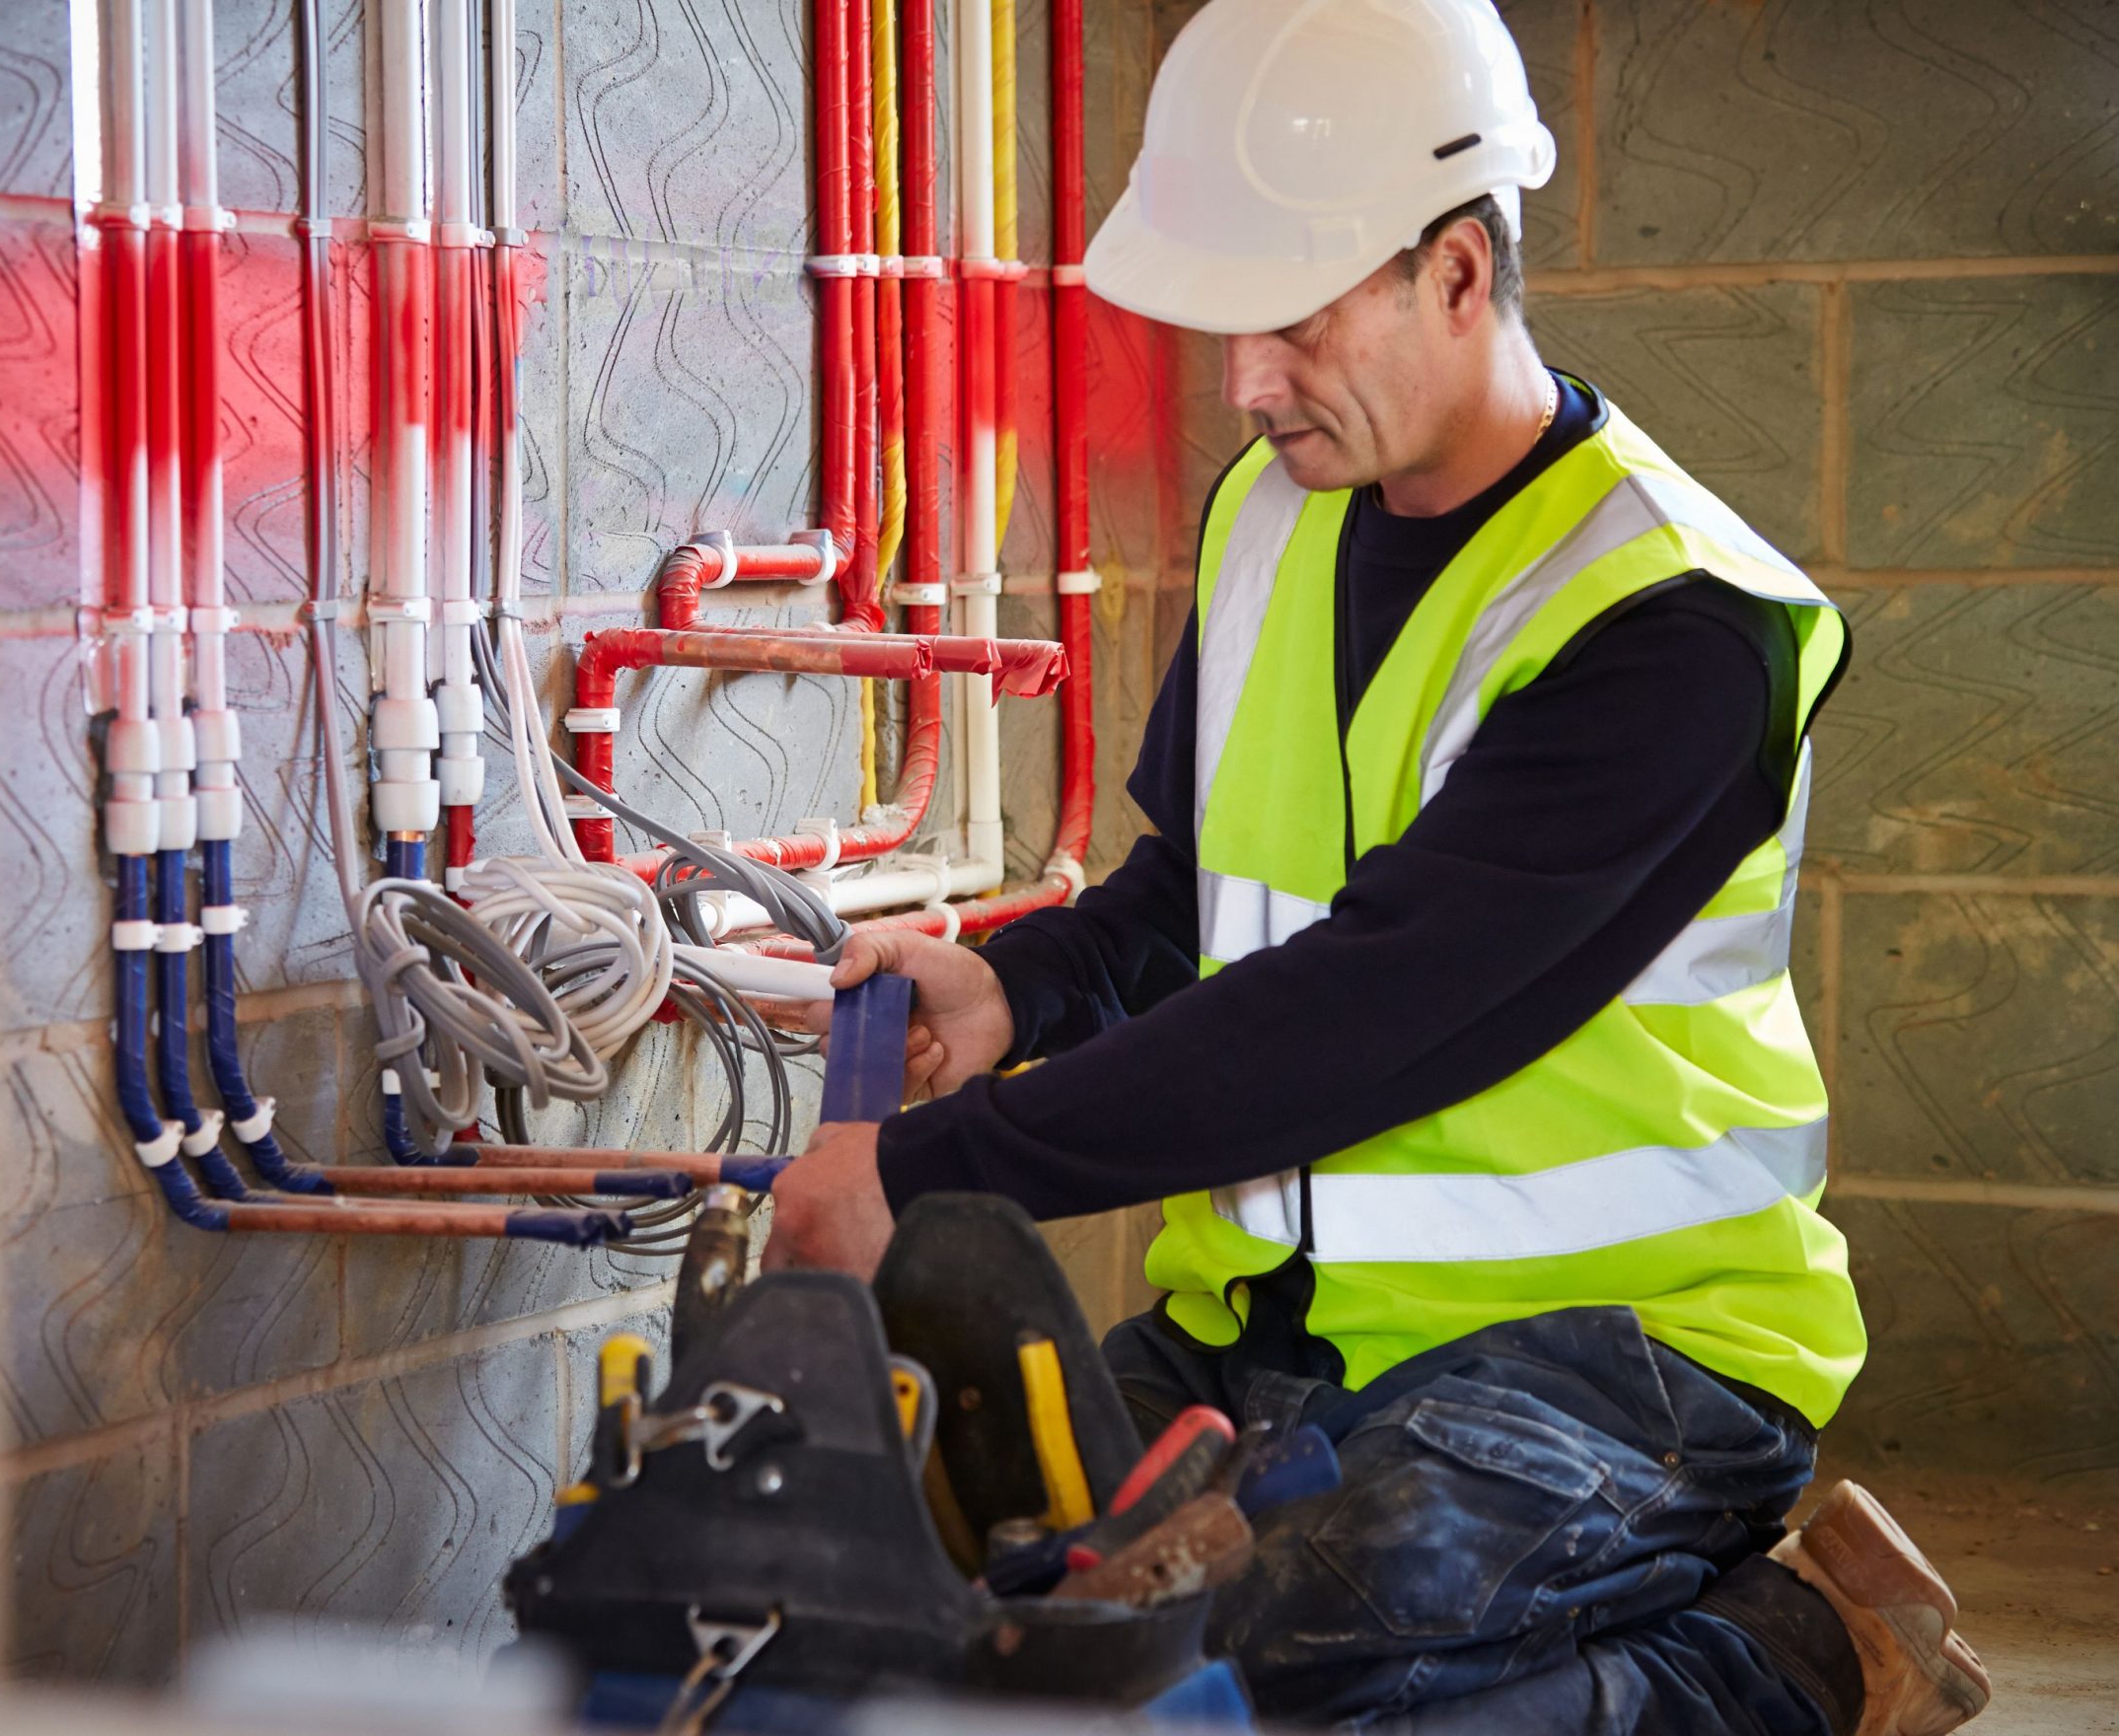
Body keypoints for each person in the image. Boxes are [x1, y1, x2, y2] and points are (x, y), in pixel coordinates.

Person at [765, 1, 1994, 1731]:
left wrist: (933, 1167)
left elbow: (1375, 1010)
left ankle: (1794, 1656)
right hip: (1271, 1331)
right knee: (988, 1638)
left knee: (1269, 1667)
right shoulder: (1277, 511)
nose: (1246, 385)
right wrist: (1019, 983)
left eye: (1292, 321)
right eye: (1230, 330)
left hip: (1622, 1352)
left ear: (1460, 269)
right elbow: (1195, 899)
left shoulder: (1675, 623)